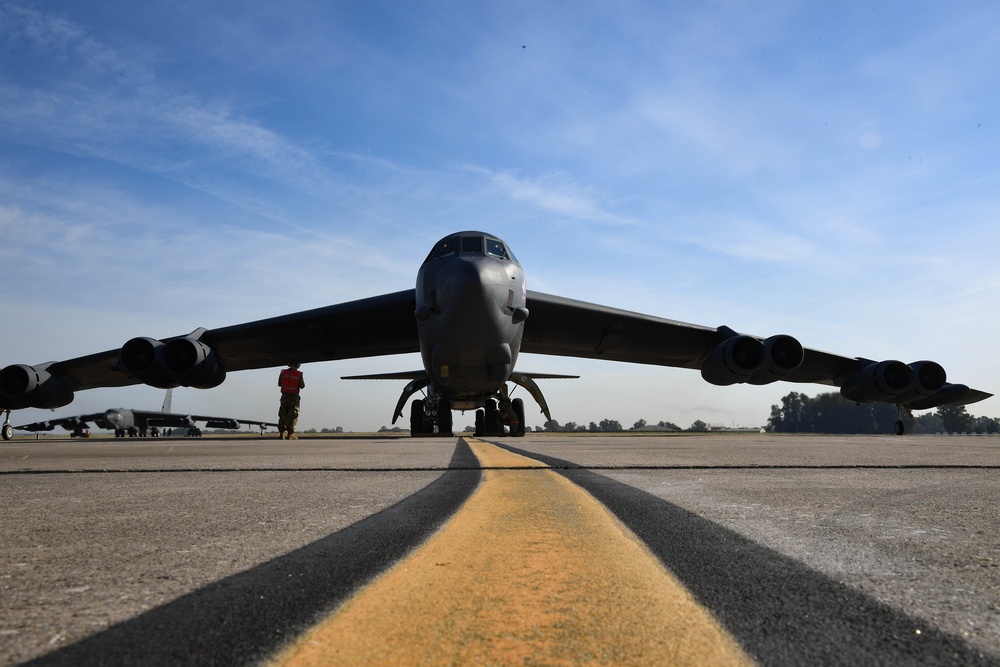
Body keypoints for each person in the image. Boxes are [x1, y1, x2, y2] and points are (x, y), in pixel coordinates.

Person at [277, 361, 305, 439]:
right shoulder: (299, 374)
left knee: (283, 414)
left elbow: (279, 383)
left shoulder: (283, 372)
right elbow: (302, 386)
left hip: (284, 396)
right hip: (293, 397)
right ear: (297, 365)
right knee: (293, 415)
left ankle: (282, 433)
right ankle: (290, 434)